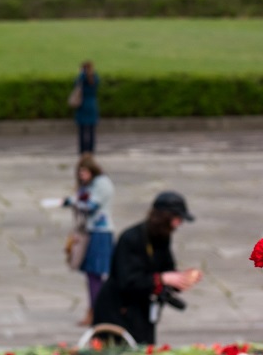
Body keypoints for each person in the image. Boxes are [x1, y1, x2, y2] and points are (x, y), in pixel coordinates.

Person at [93, 191, 202, 345]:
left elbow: (167, 268)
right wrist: (162, 279)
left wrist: (181, 279)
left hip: (142, 310)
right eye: (178, 218)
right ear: (165, 217)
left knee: (145, 347)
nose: (179, 224)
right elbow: (127, 281)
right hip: (118, 310)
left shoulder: (162, 237)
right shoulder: (131, 238)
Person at [62, 154, 115, 325]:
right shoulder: (91, 184)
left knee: (96, 273)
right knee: (92, 275)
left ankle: (97, 311)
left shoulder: (102, 184)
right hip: (91, 231)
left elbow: (91, 205)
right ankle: (96, 309)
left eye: (84, 172)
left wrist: (71, 202)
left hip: (101, 232)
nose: (82, 176)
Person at [73, 60, 99, 153]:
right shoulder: (95, 77)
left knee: (82, 130)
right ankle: (90, 151)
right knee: (91, 131)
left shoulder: (81, 77)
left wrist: (81, 73)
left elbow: (76, 84)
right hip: (92, 104)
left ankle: (83, 151)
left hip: (82, 105)